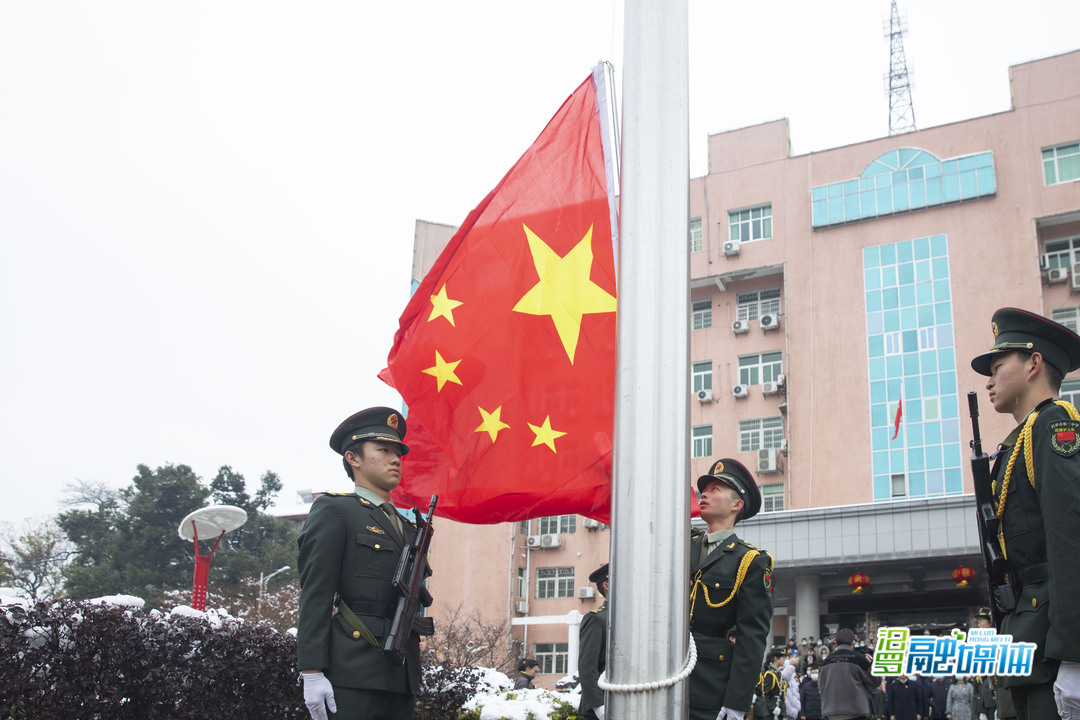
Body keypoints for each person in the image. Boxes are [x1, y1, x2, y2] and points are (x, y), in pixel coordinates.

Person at [971, 308, 1080, 720]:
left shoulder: (1055, 427)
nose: (989, 379)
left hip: (1053, 647)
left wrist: (1074, 656)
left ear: (1034, 364)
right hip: (1022, 647)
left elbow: (1071, 539)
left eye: (998, 366)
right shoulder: (1015, 442)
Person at [297, 407, 428, 720]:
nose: (395, 459)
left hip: (401, 672)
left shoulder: (409, 527)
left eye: (398, 453)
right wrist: (312, 670)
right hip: (353, 672)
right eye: (383, 450)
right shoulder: (336, 511)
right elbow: (315, 594)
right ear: (352, 458)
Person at [688, 458, 775, 720]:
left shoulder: (750, 560)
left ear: (737, 504)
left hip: (707, 688)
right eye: (705, 489)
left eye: (716, 489)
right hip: (658, 674)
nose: (704, 493)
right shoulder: (681, 542)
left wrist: (737, 702)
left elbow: (752, 636)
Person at [819, 627, 879, 720]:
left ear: (836, 643)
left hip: (831, 712)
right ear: (852, 642)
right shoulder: (859, 659)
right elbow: (875, 681)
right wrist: (872, 664)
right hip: (855, 711)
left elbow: (821, 686)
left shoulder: (826, 662)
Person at [578, 563, 609, 720]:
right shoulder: (597, 619)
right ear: (607, 585)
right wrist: (599, 705)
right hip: (603, 705)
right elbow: (587, 667)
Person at [755, 649, 788, 720]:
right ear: (776, 658)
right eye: (782, 657)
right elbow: (765, 693)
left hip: (780, 709)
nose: (784, 659)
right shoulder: (770, 674)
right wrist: (772, 708)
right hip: (772, 712)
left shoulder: (777, 673)